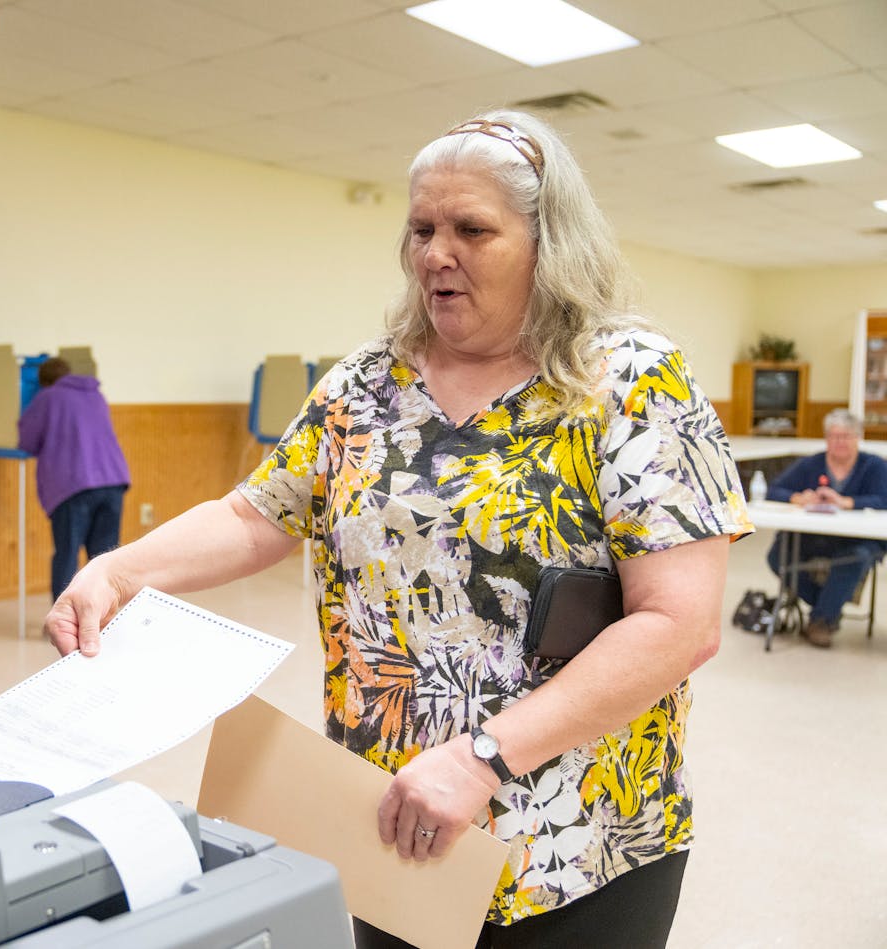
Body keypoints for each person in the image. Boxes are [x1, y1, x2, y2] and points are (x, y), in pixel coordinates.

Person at [43, 109, 752, 948]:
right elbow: (252, 516)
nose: (434, 253)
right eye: (421, 228)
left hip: (580, 840)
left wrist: (482, 757)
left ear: (547, 240)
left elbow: (680, 622)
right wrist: (120, 570)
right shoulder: (365, 384)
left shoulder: (632, 379)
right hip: (397, 825)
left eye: (470, 229)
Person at [765, 408, 887, 648]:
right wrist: (798, 498)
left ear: (857, 438)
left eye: (846, 436)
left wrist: (847, 502)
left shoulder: (874, 466)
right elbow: (775, 490)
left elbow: (883, 499)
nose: (839, 442)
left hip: (857, 541)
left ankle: (822, 620)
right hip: (814, 536)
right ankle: (827, 605)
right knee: (777, 555)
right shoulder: (811, 464)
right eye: (833, 436)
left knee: (856, 557)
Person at [18, 357, 130, 598]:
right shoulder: (95, 394)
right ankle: (101, 619)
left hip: (73, 485)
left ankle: (66, 625)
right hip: (113, 481)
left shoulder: (48, 396)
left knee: (67, 554)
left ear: (44, 381)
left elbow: (26, 440)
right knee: (103, 559)